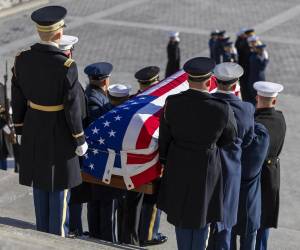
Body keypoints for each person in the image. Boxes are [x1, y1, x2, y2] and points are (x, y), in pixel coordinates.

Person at [11, 6, 88, 236]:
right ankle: (57, 240)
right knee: (59, 189)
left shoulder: (22, 59)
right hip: (60, 131)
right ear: (58, 34)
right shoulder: (66, 66)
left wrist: (20, 126)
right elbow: (73, 108)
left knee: (41, 186)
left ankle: (41, 236)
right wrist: (79, 138)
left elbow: (17, 96)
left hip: (34, 127)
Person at [158, 57, 237, 250]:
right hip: (207, 167)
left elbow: (165, 137)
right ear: (210, 81)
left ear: (187, 80)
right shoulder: (221, 108)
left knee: (181, 216)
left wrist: (166, 160)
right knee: (203, 217)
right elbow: (230, 139)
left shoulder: (172, 102)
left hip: (178, 165)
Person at [207, 62, 255, 250]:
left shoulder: (207, 104)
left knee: (204, 221)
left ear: (214, 81)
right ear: (235, 85)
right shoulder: (246, 109)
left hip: (207, 167)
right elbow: (248, 140)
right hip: (231, 171)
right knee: (225, 224)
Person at [122, 66, 167, 247]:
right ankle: (148, 234)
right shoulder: (159, 104)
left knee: (132, 200)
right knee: (152, 198)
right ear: (155, 82)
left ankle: (129, 237)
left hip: (130, 160)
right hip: (152, 161)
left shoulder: (131, 101)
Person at [84, 62, 124, 242]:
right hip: (100, 158)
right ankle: (105, 240)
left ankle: (97, 236)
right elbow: (99, 127)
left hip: (97, 158)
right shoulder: (94, 99)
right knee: (104, 202)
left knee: (97, 200)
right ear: (105, 80)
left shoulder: (97, 94)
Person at [59, 34, 87, 238]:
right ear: (69, 53)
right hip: (70, 140)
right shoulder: (69, 75)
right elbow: (77, 112)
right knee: (70, 190)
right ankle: (70, 228)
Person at [253, 81, 286, 250]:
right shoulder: (280, 118)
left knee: (250, 223)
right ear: (274, 101)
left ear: (257, 98)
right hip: (272, 174)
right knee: (265, 221)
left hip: (254, 175)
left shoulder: (254, 122)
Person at [232, 122, 270, 250]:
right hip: (251, 209)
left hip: (232, 207)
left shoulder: (234, 148)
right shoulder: (262, 141)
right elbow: (262, 129)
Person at [235, 28, 255, 102]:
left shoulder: (242, 42)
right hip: (245, 67)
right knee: (245, 85)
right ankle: (247, 99)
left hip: (244, 67)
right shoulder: (243, 43)